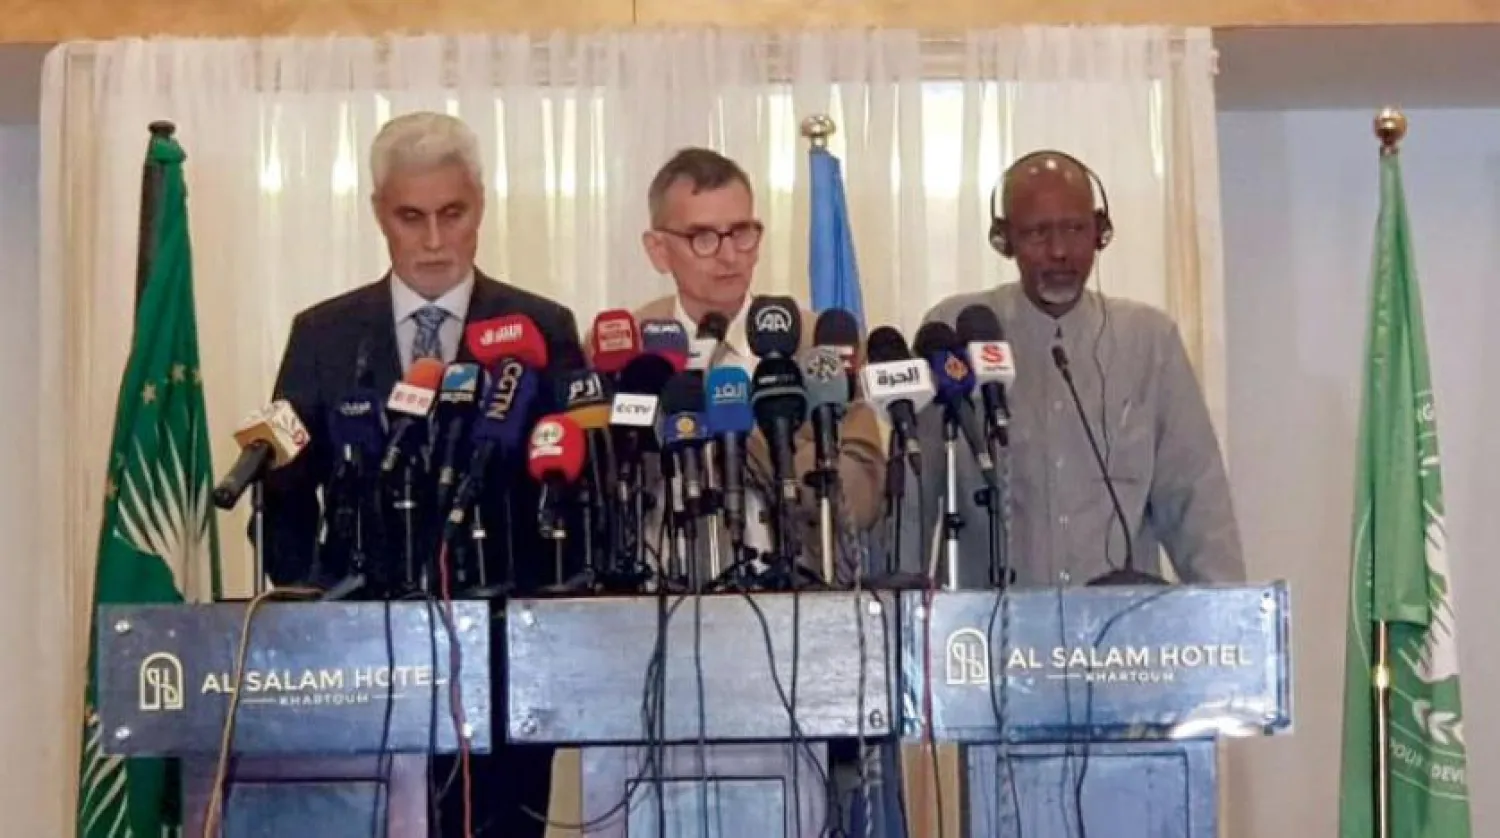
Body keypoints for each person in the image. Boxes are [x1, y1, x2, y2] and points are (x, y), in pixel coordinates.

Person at [262, 111, 581, 838]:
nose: (434, 240)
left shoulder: (544, 326)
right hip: (357, 656)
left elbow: (569, 488)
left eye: (452, 214)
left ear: (480, 206)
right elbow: (284, 491)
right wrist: (308, 608)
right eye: (412, 217)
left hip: (506, 658)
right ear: (380, 214)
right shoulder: (325, 334)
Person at [910, 149, 1244, 588]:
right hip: (986, 635)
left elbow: (1197, 503)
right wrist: (888, 623)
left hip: (1121, 638)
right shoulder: (957, 329)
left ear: (1100, 232)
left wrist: (1228, 627)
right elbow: (915, 497)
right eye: (1037, 233)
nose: (1060, 251)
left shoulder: (1148, 340)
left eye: (1075, 228)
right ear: (1004, 241)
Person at [628, 147, 886, 580]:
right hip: (655, 602)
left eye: (742, 233)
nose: (730, 256)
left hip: (797, 599)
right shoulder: (631, 346)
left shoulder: (816, 341)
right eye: (703, 238)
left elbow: (861, 498)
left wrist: (764, 435)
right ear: (658, 250)